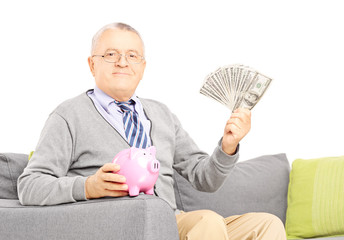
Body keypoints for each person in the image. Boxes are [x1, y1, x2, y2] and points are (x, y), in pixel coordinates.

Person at [17, 22, 286, 240]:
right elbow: (29, 186)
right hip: (118, 225)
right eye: (111, 54)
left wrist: (228, 147)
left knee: (267, 225)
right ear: (92, 64)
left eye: (132, 56)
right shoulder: (69, 115)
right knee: (207, 221)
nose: (123, 62)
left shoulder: (161, 114)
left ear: (142, 67)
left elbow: (205, 178)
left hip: (171, 222)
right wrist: (88, 186)